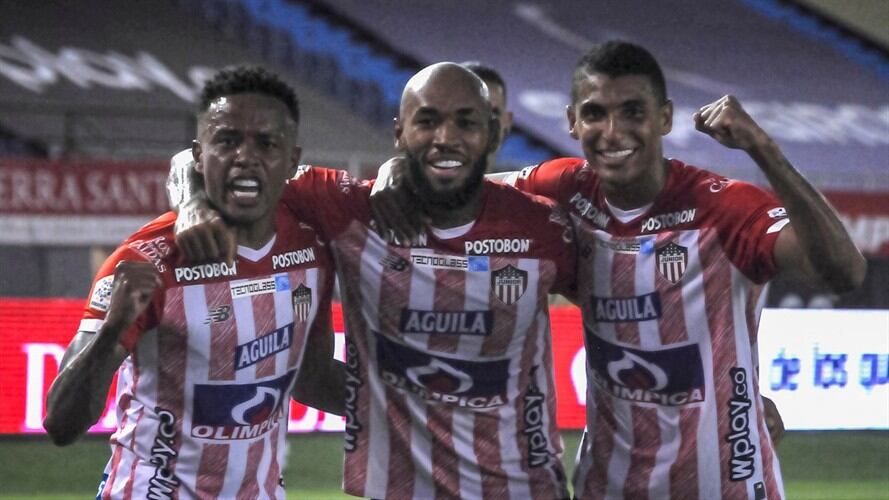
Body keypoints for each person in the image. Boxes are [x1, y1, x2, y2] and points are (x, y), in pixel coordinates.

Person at [374, 42, 864, 498]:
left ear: (664, 117)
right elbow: (458, 187)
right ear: (572, 121)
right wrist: (397, 169)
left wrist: (765, 150)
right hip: (606, 484)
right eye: (595, 114)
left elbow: (844, 272)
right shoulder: (563, 189)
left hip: (725, 483)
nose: (613, 132)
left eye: (633, 112)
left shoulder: (726, 207)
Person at [172, 62, 577, 499]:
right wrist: (193, 201)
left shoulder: (544, 226)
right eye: (427, 121)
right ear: (399, 133)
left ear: (493, 132)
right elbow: (200, 157)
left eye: (466, 122)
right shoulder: (351, 209)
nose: (446, 137)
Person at [43, 65, 344, 499]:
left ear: (292, 161)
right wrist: (112, 329)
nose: (245, 156)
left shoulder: (312, 249)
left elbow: (312, 378)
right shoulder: (146, 259)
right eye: (226, 141)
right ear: (199, 156)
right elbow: (61, 424)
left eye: (266, 143)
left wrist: (418, 401)